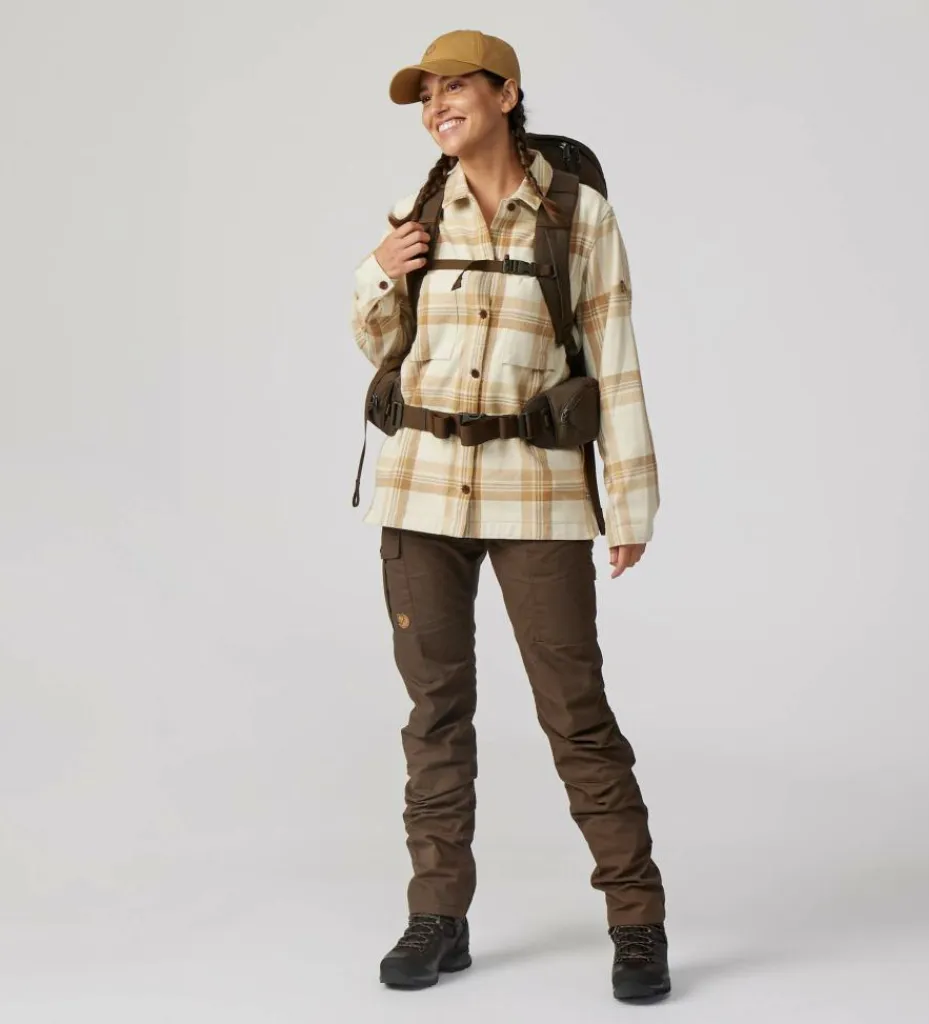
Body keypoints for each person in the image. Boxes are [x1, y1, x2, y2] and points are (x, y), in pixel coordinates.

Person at [350, 28, 671, 1003]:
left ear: (506, 93)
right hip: (420, 490)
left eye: (454, 87)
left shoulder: (579, 216)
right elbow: (377, 344)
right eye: (425, 95)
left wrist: (631, 500)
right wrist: (378, 270)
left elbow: (613, 359)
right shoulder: (415, 211)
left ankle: (637, 921)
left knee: (576, 713)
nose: (436, 106)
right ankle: (437, 917)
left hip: (539, 492)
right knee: (435, 714)